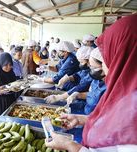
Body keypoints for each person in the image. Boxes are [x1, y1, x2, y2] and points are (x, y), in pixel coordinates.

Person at [45, 14, 137, 151]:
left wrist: (72, 146)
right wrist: (85, 119)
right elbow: (112, 122)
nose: (106, 69)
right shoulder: (126, 93)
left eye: (108, 57)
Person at [66, 48, 107, 115]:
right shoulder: (97, 79)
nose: (91, 69)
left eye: (94, 67)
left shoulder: (110, 87)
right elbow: (93, 95)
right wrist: (78, 95)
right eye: (90, 66)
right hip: (86, 110)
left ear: (105, 66)